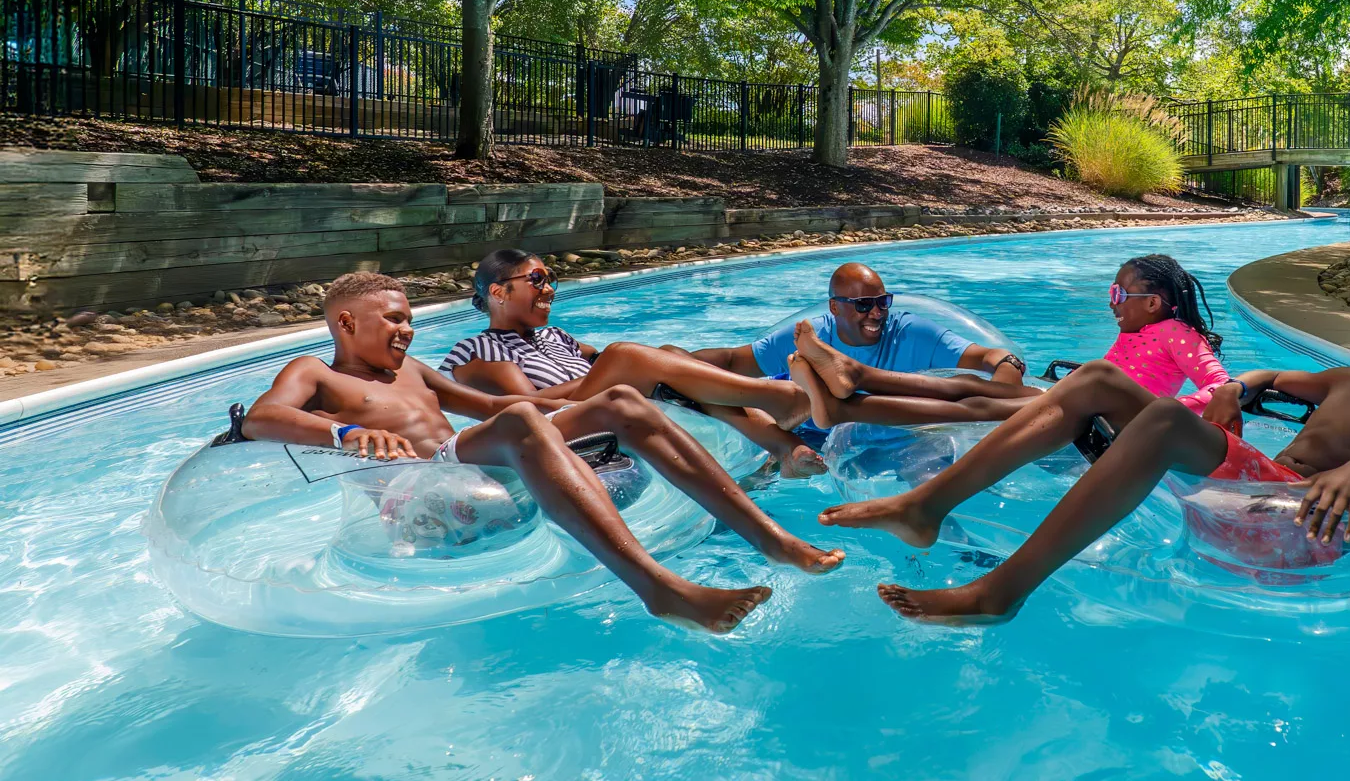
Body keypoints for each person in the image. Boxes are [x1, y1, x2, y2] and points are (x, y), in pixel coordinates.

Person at [818, 263, 1350, 624]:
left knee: (1160, 418)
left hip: (1299, 532)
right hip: (1248, 494)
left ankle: (1002, 590)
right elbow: (1270, 375)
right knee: (1099, 378)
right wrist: (1238, 388)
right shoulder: (1340, 380)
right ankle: (926, 506)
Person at [242, 271, 843, 634]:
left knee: (624, 403)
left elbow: (497, 411)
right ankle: (659, 588)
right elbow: (263, 418)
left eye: (410, 321)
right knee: (531, 418)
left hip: (468, 456)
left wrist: (607, 387)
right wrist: (344, 434)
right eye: (394, 320)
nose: (407, 331)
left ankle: (770, 538)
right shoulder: (316, 372)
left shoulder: (413, 372)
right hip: (416, 488)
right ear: (347, 322)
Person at [442, 249, 826, 478]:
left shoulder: (557, 336)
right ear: (498, 291)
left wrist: (647, 367)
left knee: (668, 353)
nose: (550, 290)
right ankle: (776, 397)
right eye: (538, 280)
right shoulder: (480, 351)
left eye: (551, 279)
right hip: (564, 422)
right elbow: (529, 410)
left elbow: (632, 363)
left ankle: (783, 445)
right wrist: (618, 371)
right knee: (626, 355)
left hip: (608, 402)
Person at [787, 252, 1226, 431]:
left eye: (1117, 294)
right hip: (1086, 401)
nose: (1110, 303)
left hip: (1111, 419)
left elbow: (1220, 388)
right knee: (964, 385)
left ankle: (847, 396)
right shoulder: (1141, 333)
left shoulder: (1175, 333)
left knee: (972, 406)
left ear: (1152, 303)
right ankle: (853, 380)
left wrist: (1167, 411)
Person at [683, 261, 1036, 442]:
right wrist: (673, 363)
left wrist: (1005, 390)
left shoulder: (910, 331)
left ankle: (840, 388)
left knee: (959, 391)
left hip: (898, 439)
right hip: (815, 437)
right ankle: (826, 396)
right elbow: (732, 361)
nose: (877, 313)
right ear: (835, 308)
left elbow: (993, 357)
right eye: (864, 304)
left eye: (882, 302)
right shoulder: (811, 334)